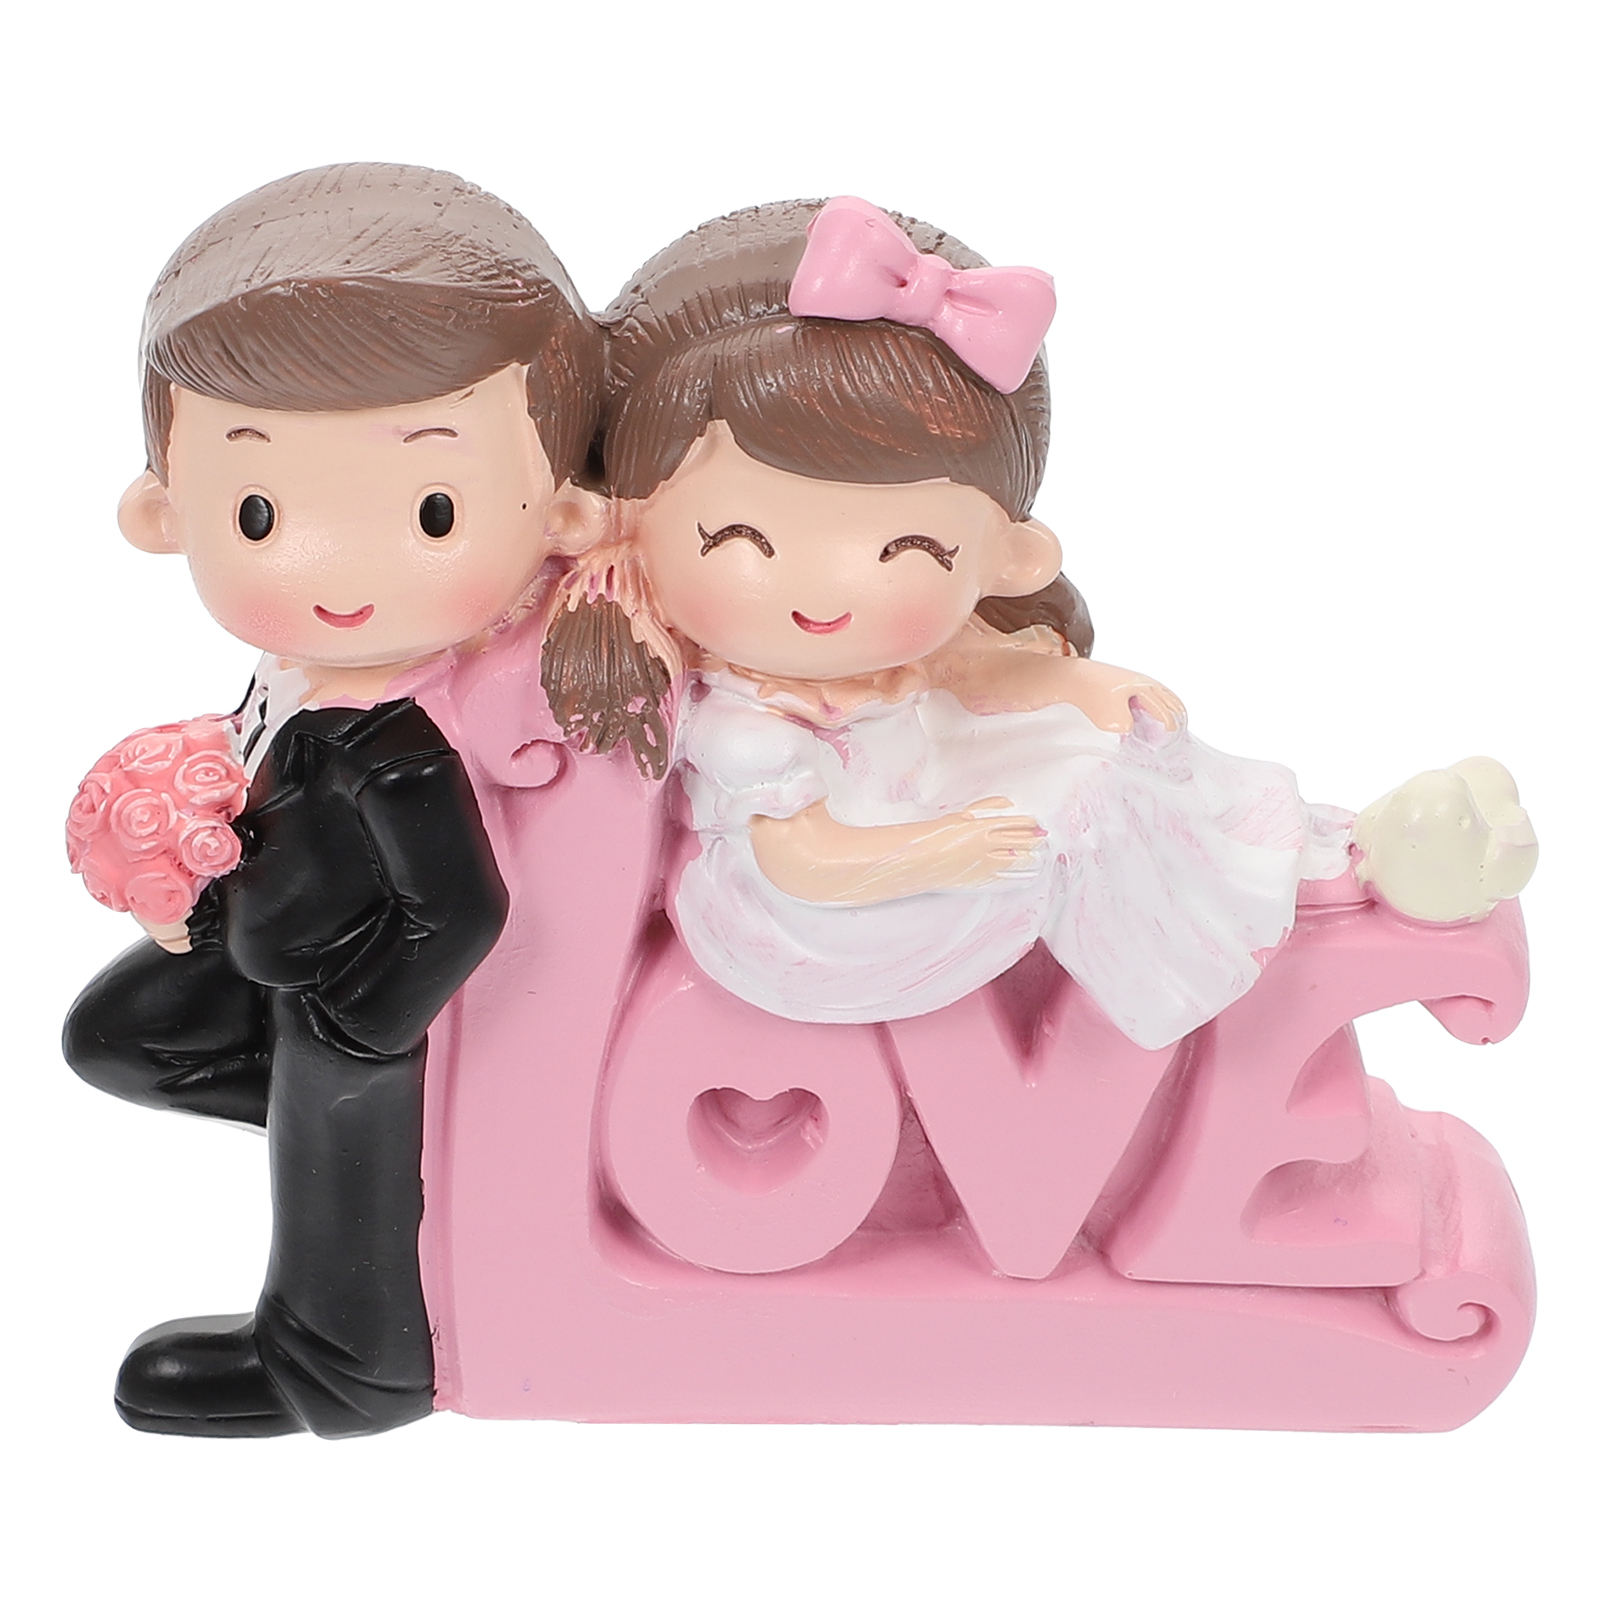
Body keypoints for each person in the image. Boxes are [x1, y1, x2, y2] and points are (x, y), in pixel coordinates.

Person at [542, 196, 1535, 1050]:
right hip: (804, 918)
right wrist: (945, 848)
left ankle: (1328, 854)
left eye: (908, 551)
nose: (825, 590)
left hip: (897, 821)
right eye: (740, 537)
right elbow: (796, 858)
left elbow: (973, 675)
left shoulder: (881, 662)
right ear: (627, 522)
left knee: (1095, 748)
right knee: (1076, 819)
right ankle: (1226, 951)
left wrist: (1079, 684)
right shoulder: (743, 725)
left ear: (1006, 560)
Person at [63, 162, 602, 1437]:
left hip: (355, 1000)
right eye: (261, 512)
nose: (337, 569)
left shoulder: (401, 741)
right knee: (118, 1036)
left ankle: (342, 1369)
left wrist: (360, 1031)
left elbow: (459, 906)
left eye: (430, 509)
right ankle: (417, 1155)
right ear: (162, 508)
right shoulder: (298, 676)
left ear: (561, 513)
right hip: (271, 956)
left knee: (335, 1154)